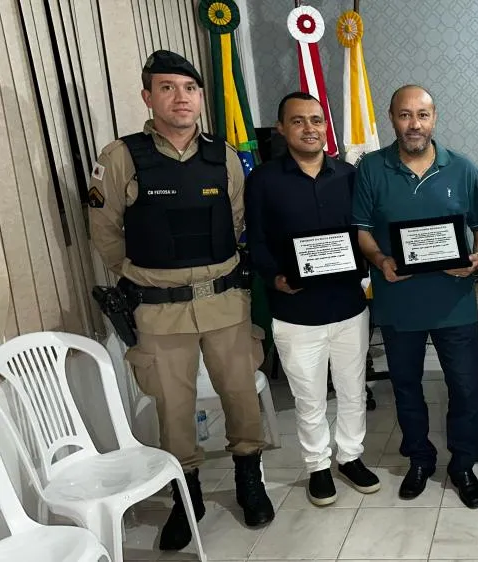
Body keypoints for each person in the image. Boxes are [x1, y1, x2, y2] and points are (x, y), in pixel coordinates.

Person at [87, 50, 274, 551]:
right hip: (158, 309)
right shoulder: (120, 156)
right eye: (167, 88)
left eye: (189, 88)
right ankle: (185, 498)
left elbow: (236, 221)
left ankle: (249, 482)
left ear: (199, 97)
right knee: (174, 408)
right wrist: (140, 275)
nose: (181, 97)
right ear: (148, 96)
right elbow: (105, 234)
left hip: (223, 303)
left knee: (240, 395)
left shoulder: (224, 155)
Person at [352, 85, 478, 508]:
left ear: (434, 118)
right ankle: (420, 459)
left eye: (422, 115)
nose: (414, 124)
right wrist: (380, 260)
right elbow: (361, 229)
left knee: (467, 388)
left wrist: (477, 260)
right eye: (405, 115)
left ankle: (463, 464)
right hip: (399, 303)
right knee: (407, 387)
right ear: (391, 118)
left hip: (454, 302)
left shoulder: (463, 168)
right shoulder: (371, 168)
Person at [245, 92, 380, 506]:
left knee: (353, 389)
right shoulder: (264, 180)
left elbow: (363, 230)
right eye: (299, 121)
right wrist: (275, 277)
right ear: (282, 128)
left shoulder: (350, 176)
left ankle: (350, 457)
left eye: (317, 120)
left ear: (327, 127)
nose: (310, 128)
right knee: (309, 397)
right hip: (295, 310)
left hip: (348, 307)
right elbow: (256, 238)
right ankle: (318, 465)